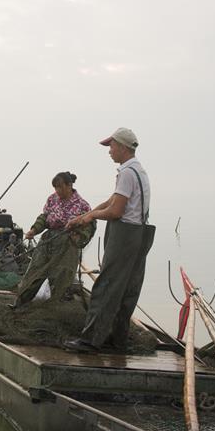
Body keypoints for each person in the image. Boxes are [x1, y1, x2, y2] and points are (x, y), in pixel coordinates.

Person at [63, 128, 154, 352]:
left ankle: (91, 340)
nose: (109, 151)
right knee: (127, 289)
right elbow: (112, 200)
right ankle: (118, 340)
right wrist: (83, 217)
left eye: (111, 146)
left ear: (123, 147)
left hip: (124, 234)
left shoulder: (126, 173)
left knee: (106, 286)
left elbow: (116, 212)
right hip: (140, 234)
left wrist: (92, 216)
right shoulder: (139, 171)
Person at [13, 171, 96, 307]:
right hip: (49, 239)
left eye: (60, 187)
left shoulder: (82, 205)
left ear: (69, 185)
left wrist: (79, 236)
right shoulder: (52, 199)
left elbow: (90, 225)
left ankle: (54, 305)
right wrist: (34, 230)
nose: (57, 191)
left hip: (68, 243)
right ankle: (21, 301)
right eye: (55, 188)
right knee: (36, 269)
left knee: (62, 274)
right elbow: (44, 218)